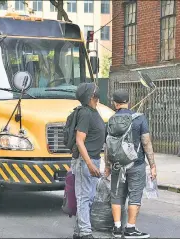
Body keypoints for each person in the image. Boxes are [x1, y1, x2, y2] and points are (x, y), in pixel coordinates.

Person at [105, 89, 157, 239]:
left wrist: (108, 166)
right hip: (137, 163)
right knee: (135, 195)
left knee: (116, 195)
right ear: (128, 101)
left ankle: (116, 228)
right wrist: (152, 165)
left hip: (116, 165)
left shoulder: (111, 120)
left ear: (115, 103)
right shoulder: (139, 119)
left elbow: (107, 145)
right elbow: (146, 143)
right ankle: (130, 229)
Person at [72, 83, 105, 239]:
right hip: (85, 161)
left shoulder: (94, 111)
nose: (97, 90)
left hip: (94, 159)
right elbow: (80, 141)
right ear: (90, 96)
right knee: (84, 197)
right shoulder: (85, 113)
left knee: (89, 197)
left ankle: (79, 231)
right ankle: (85, 232)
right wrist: (90, 164)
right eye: (94, 90)